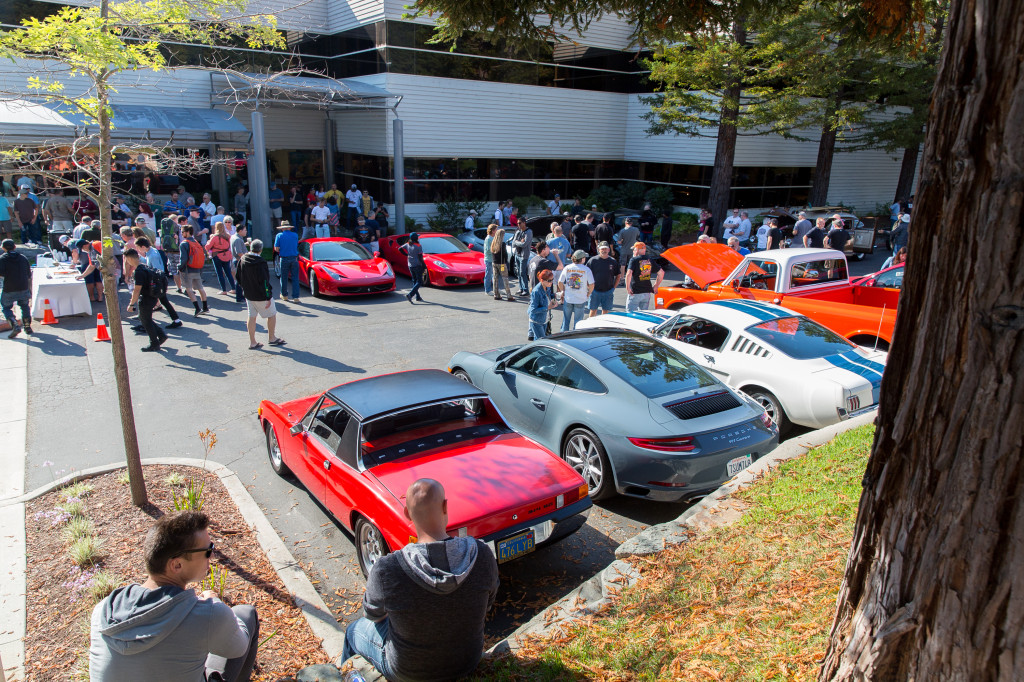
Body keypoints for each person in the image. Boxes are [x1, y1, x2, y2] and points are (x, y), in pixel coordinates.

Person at [342, 479, 498, 681]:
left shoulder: (387, 570)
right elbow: (488, 603)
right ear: (445, 506)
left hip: (407, 672)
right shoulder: (482, 555)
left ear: (407, 513)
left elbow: (372, 615)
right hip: (467, 662)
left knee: (352, 631)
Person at [89, 510, 260, 681]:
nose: (213, 555)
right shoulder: (209, 614)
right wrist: (214, 601)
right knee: (245, 614)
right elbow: (239, 647)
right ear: (177, 564)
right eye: (208, 550)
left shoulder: (103, 610)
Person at [236, 239, 285, 349]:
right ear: (261, 250)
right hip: (261, 294)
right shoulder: (260, 262)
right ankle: (271, 337)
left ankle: (252, 342)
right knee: (272, 314)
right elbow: (265, 281)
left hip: (249, 294)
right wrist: (268, 296)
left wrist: (244, 288)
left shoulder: (243, 259)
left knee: (251, 317)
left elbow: (238, 277)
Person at [123, 248, 171, 352]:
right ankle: (161, 335)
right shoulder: (145, 267)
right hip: (152, 297)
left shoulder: (138, 271)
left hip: (146, 299)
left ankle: (154, 343)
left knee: (146, 321)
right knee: (145, 319)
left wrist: (131, 304)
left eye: (127, 259)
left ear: (130, 258)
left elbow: (137, 290)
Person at [0, 239, 32, 339]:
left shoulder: (2, 259)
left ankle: (14, 324)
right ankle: (27, 327)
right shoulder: (23, 258)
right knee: (24, 306)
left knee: (6, 307)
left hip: (9, 287)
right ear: (14, 247)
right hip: (23, 286)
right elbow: (28, 274)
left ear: (3, 248)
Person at [558, 250, 594, 332]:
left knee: (566, 320)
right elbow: (592, 284)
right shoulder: (586, 270)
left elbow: (560, 282)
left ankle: (563, 336)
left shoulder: (567, 268)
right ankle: (575, 338)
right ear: (582, 259)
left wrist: (563, 291)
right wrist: (588, 293)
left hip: (569, 298)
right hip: (580, 298)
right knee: (578, 322)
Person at [178, 225, 209, 316]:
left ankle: (197, 308)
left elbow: (183, 259)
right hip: (197, 269)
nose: (181, 233)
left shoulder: (184, 243)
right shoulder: (196, 242)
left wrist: (179, 267)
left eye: (183, 232)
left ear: (187, 232)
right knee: (200, 288)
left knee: (188, 289)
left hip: (187, 270)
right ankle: (205, 307)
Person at [625, 241, 663, 312]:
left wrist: (627, 287)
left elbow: (629, 273)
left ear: (637, 250)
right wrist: (656, 285)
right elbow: (661, 272)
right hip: (646, 292)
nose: (633, 251)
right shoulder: (650, 260)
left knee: (630, 314)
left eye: (634, 249)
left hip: (635, 292)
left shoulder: (634, 260)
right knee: (643, 314)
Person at [586, 241, 620, 317]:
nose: (604, 250)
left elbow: (618, 275)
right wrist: (589, 286)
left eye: (606, 249)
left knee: (605, 312)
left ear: (609, 250)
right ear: (598, 249)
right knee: (593, 311)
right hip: (595, 291)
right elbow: (585, 274)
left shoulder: (613, 261)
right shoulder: (593, 261)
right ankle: (590, 327)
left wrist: (613, 288)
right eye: (602, 249)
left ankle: (602, 327)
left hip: (608, 291)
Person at [273, 221, 300, 302]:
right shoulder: (295, 235)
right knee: (295, 278)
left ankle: (284, 295)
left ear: (282, 228)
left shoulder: (279, 235)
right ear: (289, 227)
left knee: (284, 277)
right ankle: (296, 297)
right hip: (294, 258)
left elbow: (276, 249)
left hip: (284, 258)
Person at [206, 222, 235, 296]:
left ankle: (223, 290)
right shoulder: (228, 236)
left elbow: (207, 247)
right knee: (228, 272)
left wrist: (209, 241)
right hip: (227, 255)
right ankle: (233, 288)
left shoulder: (215, 237)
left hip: (217, 256)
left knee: (220, 273)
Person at [528, 269, 557, 340]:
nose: (551, 282)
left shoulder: (547, 287)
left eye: (552, 280)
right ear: (542, 280)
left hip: (544, 319)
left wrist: (555, 296)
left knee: (538, 340)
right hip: (537, 321)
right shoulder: (536, 291)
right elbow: (533, 310)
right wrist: (547, 307)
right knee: (541, 341)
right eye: (549, 280)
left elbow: (548, 296)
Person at [490, 228, 515, 302]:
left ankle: (496, 294)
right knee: (505, 279)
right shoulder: (502, 244)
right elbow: (505, 254)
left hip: (494, 262)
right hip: (502, 264)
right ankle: (509, 295)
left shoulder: (493, 243)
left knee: (495, 278)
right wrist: (506, 261)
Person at [511, 221, 533, 296]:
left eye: (520, 223)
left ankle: (526, 289)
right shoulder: (518, 232)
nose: (518, 225)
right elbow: (513, 243)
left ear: (524, 223)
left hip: (524, 255)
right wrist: (519, 241)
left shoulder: (528, 232)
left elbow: (524, 244)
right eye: (517, 223)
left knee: (522, 272)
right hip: (517, 254)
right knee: (518, 272)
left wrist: (518, 242)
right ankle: (521, 288)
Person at [230, 223, 249, 304]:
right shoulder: (238, 239)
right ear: (240, 231)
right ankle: (240, 297)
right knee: (240, 279)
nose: (246, 232)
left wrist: (244, 244)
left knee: (240, 279)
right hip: (239, 260)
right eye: (245, 230)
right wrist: (248, 257)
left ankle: (241, 296)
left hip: (237, 260)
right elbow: (239, 252)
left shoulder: (234, 237)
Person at [405, 232, 425, 303]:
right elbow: (420, 257)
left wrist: (406, 254)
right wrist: (424, 265)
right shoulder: (418, 246)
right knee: (419, 282)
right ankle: (410, 294)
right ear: (416, 238)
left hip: (410, 265)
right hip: (417, 265)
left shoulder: (407, 244)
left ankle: (418, 297)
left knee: (414, 280)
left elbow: (399, 248)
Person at [481, 223, 495, 296]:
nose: (496, 231)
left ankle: (496, 288)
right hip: (489, 259)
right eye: (495, 229)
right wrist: (495, 250)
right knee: (488, 274)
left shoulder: (493, 237)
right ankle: (487, 290)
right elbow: (488, 249)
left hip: (493, 259)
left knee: (494, 275)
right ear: (492, 230)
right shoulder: (488, 238)